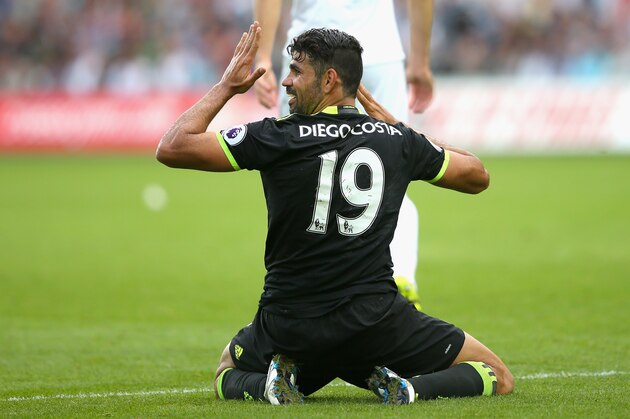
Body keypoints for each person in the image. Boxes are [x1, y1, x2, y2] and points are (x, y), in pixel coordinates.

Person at [156, 22, 514, 405]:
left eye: (297, 71)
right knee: (497, 374)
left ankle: (270, 385)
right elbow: (477, 175)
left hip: (289, 329)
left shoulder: (276, 136)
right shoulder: (397, 142)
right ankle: (409, 389)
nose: (287, 82)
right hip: (375, 328)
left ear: (329, 79)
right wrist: (400, 128)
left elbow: (173, 147)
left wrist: (227, 85)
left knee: (227, 369)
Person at [253, 0, 435, 309]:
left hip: (308, 61)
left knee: (299, 179)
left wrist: (262, 58)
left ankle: (298, 298)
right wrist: (420, 62)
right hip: (378, 57)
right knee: (390, 178)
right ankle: (400, 280)